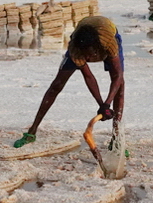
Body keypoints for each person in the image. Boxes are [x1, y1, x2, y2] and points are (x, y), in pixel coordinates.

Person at [13, 15, 125, 150]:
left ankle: (116, 137)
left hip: (108, 34)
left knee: (120, 87)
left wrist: (107, 103)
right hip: (83, 40)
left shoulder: (109, 42)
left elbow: (118, 75)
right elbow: (89, 76)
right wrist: (102, 105)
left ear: (96, 50)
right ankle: (31, 132)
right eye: (85, 56)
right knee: (56, 86)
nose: (88, 59)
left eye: (90, 55)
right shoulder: (75, 48)